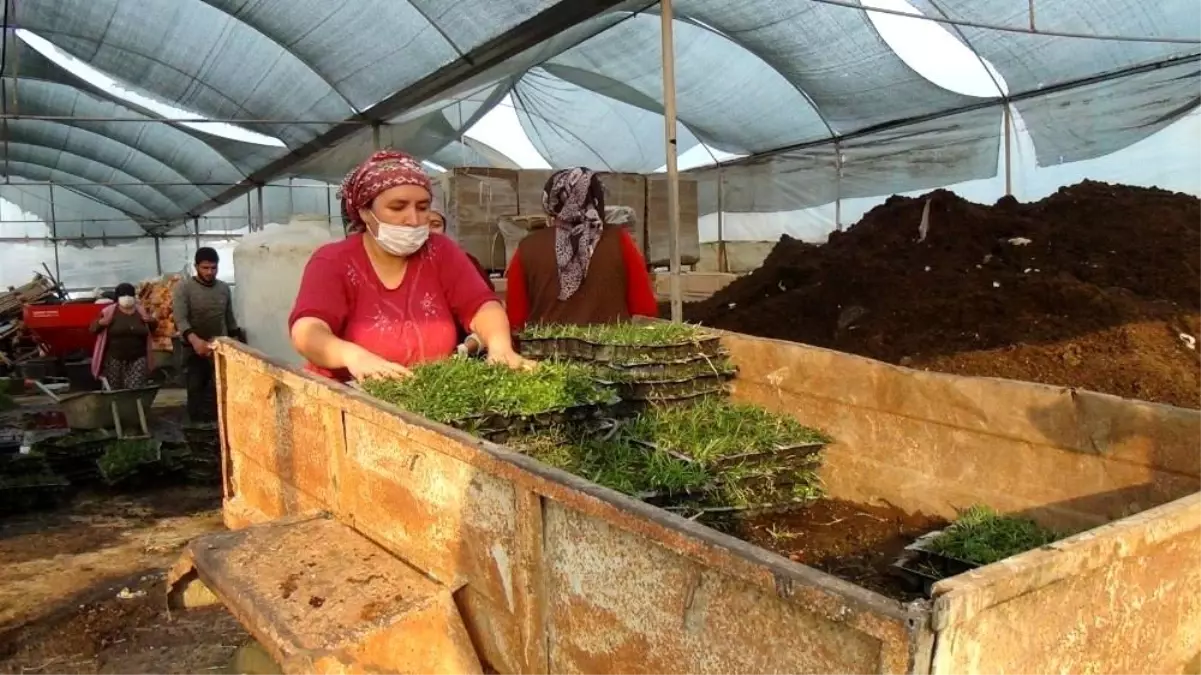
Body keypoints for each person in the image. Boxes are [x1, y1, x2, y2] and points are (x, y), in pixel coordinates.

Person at [288, 150, 528, 382]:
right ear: (364, 211)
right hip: (351, 401)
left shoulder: (439, 252)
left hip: (426, 395)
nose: (413, 220)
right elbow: (307, 331)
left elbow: (481, 305)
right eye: (397, 207)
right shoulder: (333, 261)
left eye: (422, 208)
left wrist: (500, 346)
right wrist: (352, 355)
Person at [504, 167, 658, 330]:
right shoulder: (620, 241)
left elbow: (515, 319)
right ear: (596, 197)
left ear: (551, 202)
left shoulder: (528, 248)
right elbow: (645, 310)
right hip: (612, 352)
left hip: (546, 353)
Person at [173, 247, 242, 423]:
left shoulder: (223, 288)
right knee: (196, 389)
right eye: (205, 268)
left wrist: (236, 341)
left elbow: (229, 318)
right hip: (193, 348)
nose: (210, 272)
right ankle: (197, 430)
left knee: (220, 390)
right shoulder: (184, 288)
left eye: (213, 268)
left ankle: (220, 428)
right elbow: (181, 319)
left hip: (218, 347)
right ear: (196, 267)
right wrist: (196, 341)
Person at [89, 282, 156, 390]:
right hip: (115, 359)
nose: (127, 298)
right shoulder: (109, 312)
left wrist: (151, 321)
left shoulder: (141, 311)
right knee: (115, 389)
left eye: (130, 295)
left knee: (136, 388)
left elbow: (152, 328)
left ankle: (134, 406)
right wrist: (101, 323)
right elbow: (93, 329)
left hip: (138, 358)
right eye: (123, 295)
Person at [428, 209, 494, 291]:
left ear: (445, 229)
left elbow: (486, 296)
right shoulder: (408, 264)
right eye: (422, 226)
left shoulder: (465, 261)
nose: (428, 231)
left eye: (435, 225)